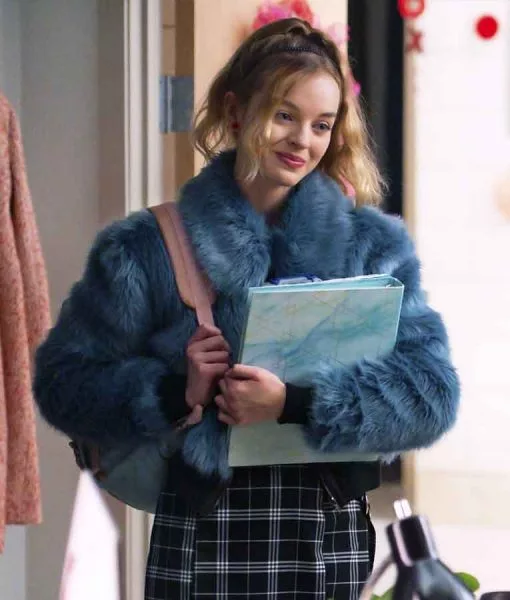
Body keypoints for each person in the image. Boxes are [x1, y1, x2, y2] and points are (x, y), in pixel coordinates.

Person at [33, 18, 460, 600]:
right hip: (202, 535)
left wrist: (296, 403)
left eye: (322, 124)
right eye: (284, 115)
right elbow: (62, 384)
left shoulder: (374, 247)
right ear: (236, 112)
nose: (303, 140)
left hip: (328, 537)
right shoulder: (144, 247)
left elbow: (433, 395)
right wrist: (172, 391)